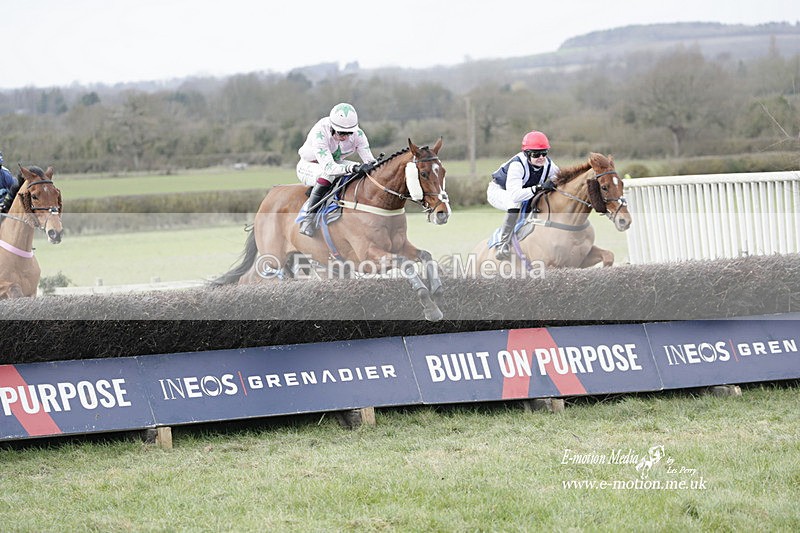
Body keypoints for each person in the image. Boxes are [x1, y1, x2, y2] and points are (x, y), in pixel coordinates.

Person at [296, 102, 377, 237]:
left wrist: (375, 166)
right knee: (328, 175)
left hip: (334, 163)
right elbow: (329, 168)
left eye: (349, 133)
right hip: (309, 165)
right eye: (341, 132)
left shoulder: (358, 134)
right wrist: (354, 167)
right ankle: (308, 219)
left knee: (361, 172)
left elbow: (370, 161)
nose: (345, 136)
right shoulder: (320, 131)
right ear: (332, 127)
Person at [486, 131, 559, 260]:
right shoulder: (517, 165)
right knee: (515, 203)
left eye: (544, 153)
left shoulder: (548, 164)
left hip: (521, 191)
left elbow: (559, 179)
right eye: (536, 154)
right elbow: (515, 195)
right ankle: (503, 243)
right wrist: (539, 187)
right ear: (526, 154)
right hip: (499, 191)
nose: (541, 157)